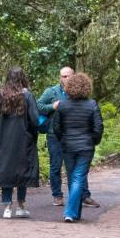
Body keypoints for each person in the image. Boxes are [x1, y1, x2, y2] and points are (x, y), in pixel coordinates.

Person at [0, 67, 40, 219]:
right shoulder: (28, 96)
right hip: (23, 140)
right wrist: (34, 132)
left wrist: (1, 132)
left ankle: (7, 207)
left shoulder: (1, 96)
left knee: (6, 171)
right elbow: (35, 120)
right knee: (22, 171)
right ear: (23, 78)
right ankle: (21, 206)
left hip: (4, 141)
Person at [51, 70, 103, 222]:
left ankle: (75, 213)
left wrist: (63, 139)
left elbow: (56, 127)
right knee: (78, 177)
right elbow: (98, 127)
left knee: (73, 177)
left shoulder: (62, 105)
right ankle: (70, 213)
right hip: (85, 147)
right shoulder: (92, 104)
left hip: (68, 146)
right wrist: (93, 141)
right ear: (87, 87)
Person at [35, 66, 70, 205]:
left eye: (69, 76)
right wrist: (52, 107)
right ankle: (57, 195)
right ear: (60, 77)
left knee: (73, 167)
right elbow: (38, 106)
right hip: (54, 135)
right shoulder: (51, 92)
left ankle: (81, 195)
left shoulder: (77, 92)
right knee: (55, 166)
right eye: (64, 76)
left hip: (72, 135)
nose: (66, 79)